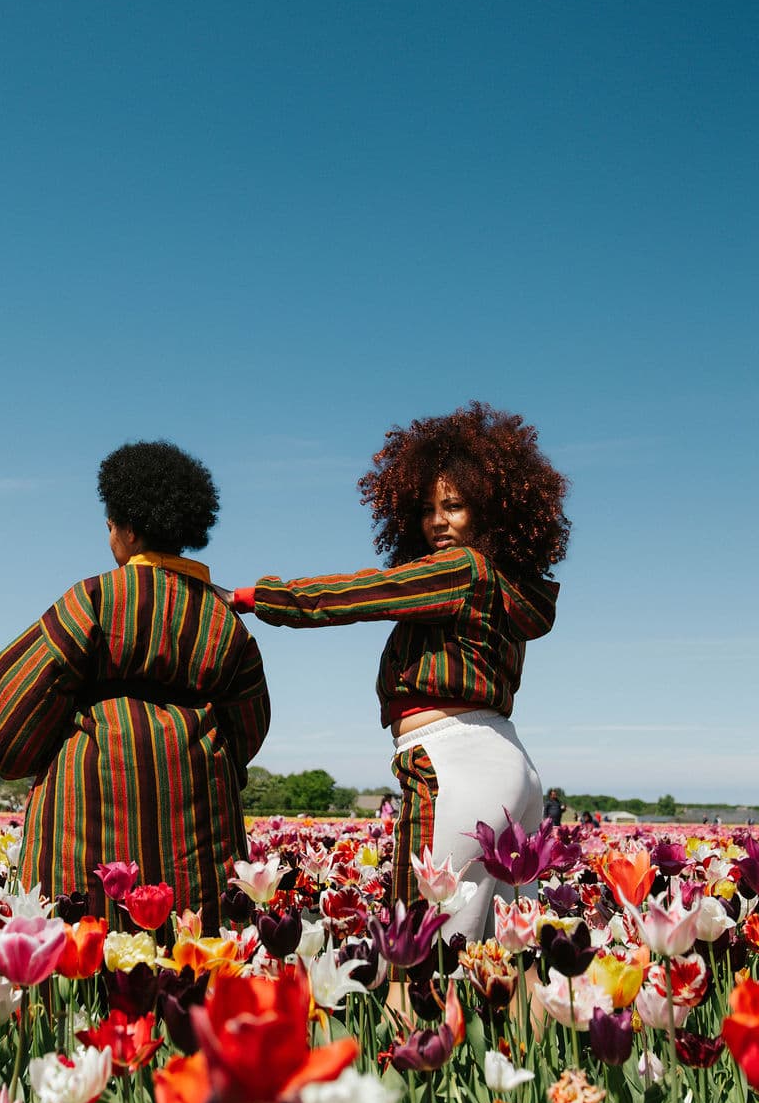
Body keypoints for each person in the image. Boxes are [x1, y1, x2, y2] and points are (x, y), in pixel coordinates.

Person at [230, 403, 569, 942]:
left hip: (452, 764)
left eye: (455, 507)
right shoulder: (507, 588)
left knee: (417, 952)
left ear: (487, 511)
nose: (438, 522)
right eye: (429, 509)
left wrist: (254, 598)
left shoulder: (461, 569)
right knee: (500, 959)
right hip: (512, 766)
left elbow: (362, 593)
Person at [0, 440, 271, 928]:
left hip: (85, 810)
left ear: (132, 529)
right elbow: (248, 726)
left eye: (112, 521)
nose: (108, 531)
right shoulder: (224, 621)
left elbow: (20, 721)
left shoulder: (93, 599)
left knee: (85, 949)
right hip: (197, 818)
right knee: (190, 950)